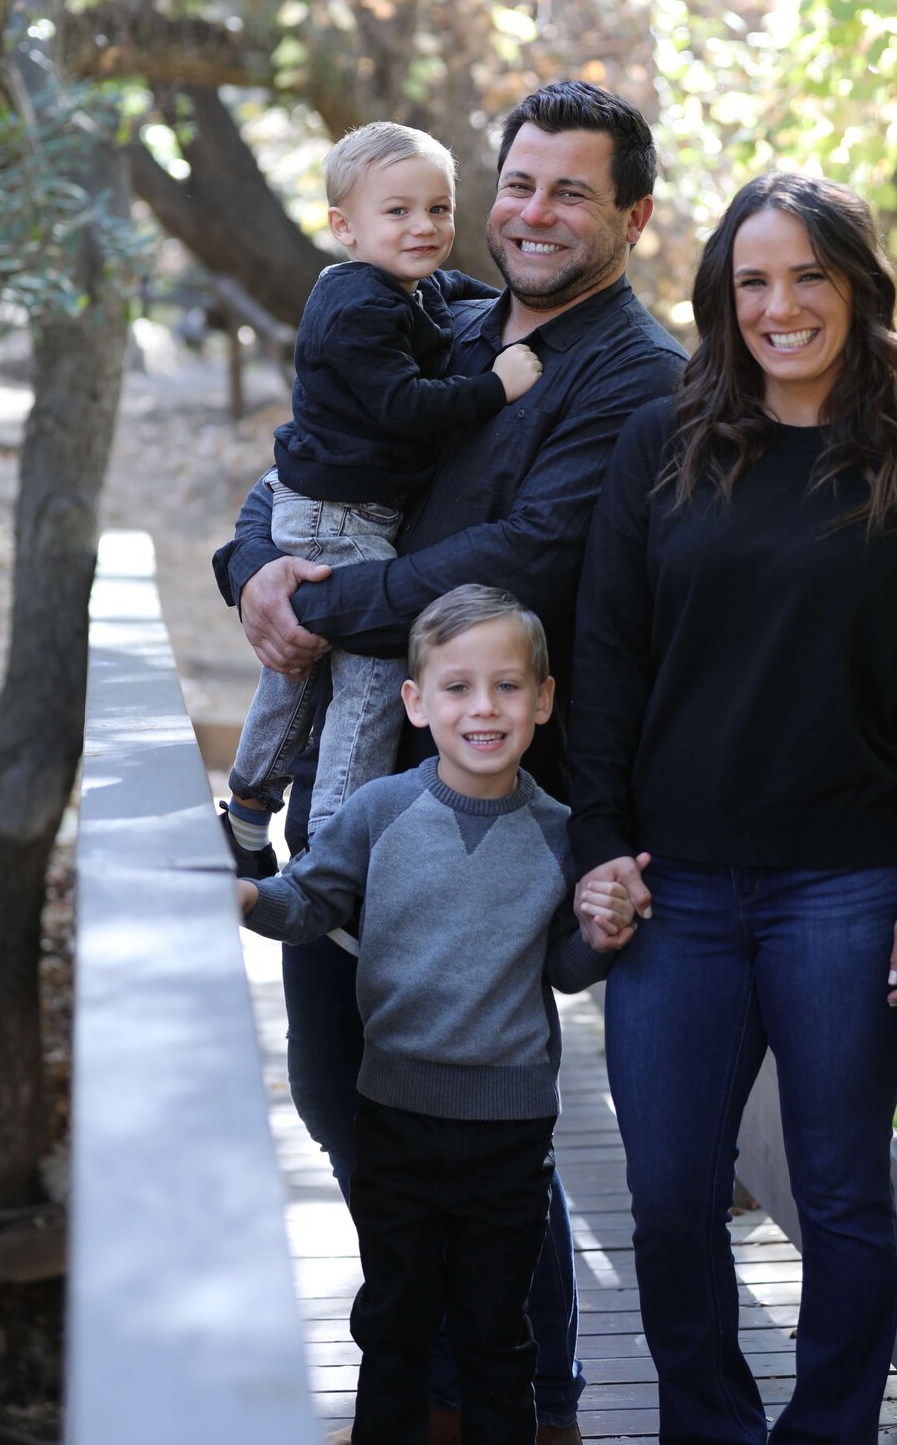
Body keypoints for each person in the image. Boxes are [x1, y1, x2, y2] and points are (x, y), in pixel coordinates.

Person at [213, 81, 687, 1444]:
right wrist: (256, 570)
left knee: (467, 1121)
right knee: (338, 1085)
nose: (533, 212)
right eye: (520, 183)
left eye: (572, 191)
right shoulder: (444, 313)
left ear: (634, 217)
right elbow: (303, 463)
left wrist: (316, 606)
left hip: (485, 804)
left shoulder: (632, 380)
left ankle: (525, 1398)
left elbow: (526, 558)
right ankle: (426, 1372)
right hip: (358, 795)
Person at [567, 172, 897, 1445]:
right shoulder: (665, 444)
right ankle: (709, 1426)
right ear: (721, 298)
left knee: (844, 1195)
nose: (781, 305)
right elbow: (606, 655)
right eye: (754, 280)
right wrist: (598, 845)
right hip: (674, 886)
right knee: (670, 1198)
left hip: (849, 889)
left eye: (810, 275)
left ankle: (828, 1433)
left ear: (860, 289)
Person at [238, 586, 636, 1445]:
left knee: (498, 1333)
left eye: (506, 687)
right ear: (415, 704)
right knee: (394, 1322)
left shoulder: (562, 833)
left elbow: (564, 969)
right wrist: (245, 896)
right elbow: (308, 903)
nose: (482, 708)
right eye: (456, 687)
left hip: (511, 1129)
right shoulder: (381, 812)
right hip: (395, 1116)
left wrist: (600, 935)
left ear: (543, 699)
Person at [224, 122, 541, 868]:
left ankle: (246, 810)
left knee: (296, 672)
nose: (424, 226)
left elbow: (449, 294)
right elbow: (405, 405)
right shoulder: (359, 309)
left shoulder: (396, 289)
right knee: (371, 675)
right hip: (339, 521)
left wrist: (500, 300)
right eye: (397, 212)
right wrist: (498, 385)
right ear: (345, 228)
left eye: (438, 209)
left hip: (331, 508)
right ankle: (334, 854)